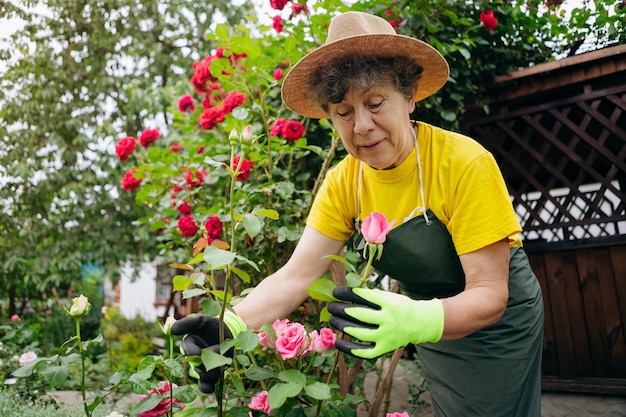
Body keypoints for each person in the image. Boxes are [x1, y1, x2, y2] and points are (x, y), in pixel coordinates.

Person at [171, 11, 544, 417]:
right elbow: (295, 277)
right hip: (430, 325)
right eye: (343, 112)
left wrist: (418, 319)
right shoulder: (343, 182)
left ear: (410, 95)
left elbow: (490, 295)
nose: (362, 126)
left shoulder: (464, 164)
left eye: (376, 103)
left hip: (498, 326)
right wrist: (232, 326)